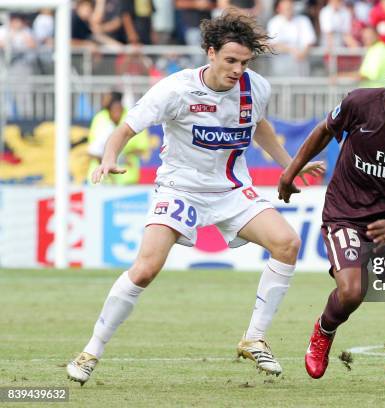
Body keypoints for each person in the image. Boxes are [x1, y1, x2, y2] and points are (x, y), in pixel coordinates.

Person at [66, 11, 324, 385]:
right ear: (210, 52)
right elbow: (124, 129)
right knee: (145, 269)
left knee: (287, 243)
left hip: (232, 190)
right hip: (179, 188)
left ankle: (254, 338)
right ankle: (90, 351)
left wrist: (290, 166)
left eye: (244, 62)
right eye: (230, 61)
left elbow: (260, 126)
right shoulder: (176, 89)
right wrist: (109, 159)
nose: (238, 70)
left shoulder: (256, 88)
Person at [278, 46, 385, 393]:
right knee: (353, 291)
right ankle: (323, 331)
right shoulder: (359, 103)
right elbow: (323, 131)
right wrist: (290, 172)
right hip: (346, 214)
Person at [87, 92, 150, 185]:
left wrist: (123, 155)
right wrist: (108, 161)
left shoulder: (133, 118)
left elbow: (143, 150)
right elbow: (92, 150)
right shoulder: (99, 118)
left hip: (127, 180)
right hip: (100, 182)